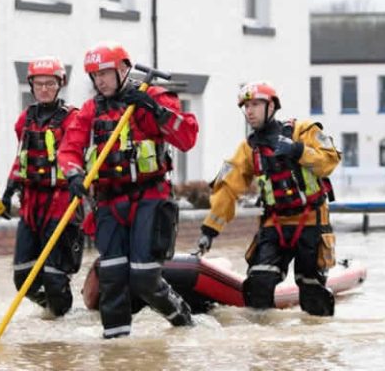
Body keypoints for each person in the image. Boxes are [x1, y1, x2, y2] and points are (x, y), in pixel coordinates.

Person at [58, 42, 199, 338]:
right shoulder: (90, 110)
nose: (100, 81)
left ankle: (182, 319)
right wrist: (73, 174)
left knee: (145, 278)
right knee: (111, 277)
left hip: (149, 198)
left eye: (105, 73)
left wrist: (155, 109)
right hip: (108, 203)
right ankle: (116, 346)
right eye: (94, 75)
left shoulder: (152, 98)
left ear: (124, 70)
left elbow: (186, 138)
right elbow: (69, 148)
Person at [197, 81, 340, 316]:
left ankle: (314, 345)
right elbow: (227, 189)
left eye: (255, 104)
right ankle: (265, 346)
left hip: (311, 221)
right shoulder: (248, 148)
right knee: (258, 285)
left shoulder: (303, 131)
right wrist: (209, 230)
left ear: (271, 106)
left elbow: (330, 160)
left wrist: (298, 150)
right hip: (275, 223)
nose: (249, 111)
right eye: (246, 106)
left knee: (312, 289)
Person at [1, 56, 84, 317]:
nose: (44, 89)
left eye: (50, 83)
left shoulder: (73, 119)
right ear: (31, 86)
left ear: (60, 84)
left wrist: (77, 179)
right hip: (31, 204)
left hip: (61, 202)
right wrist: (9, 189)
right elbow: (22, 157)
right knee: (22, 277)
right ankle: (52, 311)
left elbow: (78, 154)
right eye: (39, 84)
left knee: (54, 277)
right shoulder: (25, 119)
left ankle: (62, 318)